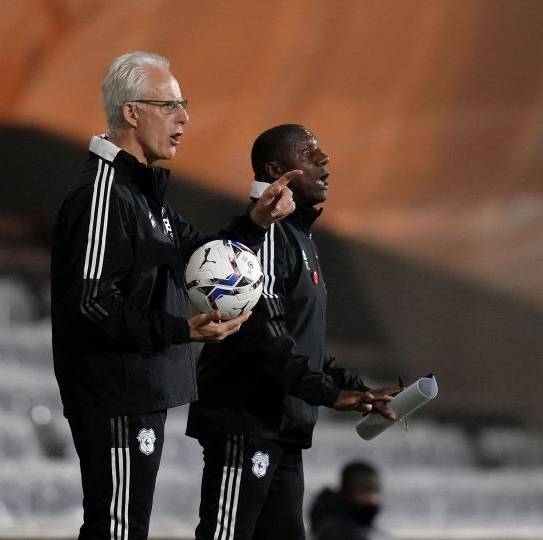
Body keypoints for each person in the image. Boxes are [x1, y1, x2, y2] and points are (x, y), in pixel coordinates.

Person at [50, 51, 297, 540]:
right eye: (169, 106)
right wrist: (180, 329)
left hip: (140, 389)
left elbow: (200, 253)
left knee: (123, 528)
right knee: (116, 529)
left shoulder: (143, 191)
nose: (184, 118)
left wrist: (255, 222)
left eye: (184, 105)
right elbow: (92, 303)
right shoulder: (103, 192)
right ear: (130, 112)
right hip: (115, 393)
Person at [185, 124, 399, 540]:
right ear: (275, 170)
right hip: (247, 421)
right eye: (308, 152)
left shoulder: (297, 234)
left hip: (282, 425)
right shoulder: (265, 233)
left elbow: (299, 341)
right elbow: (264, 337)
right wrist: (329, 393)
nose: (324, 159)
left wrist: (355, 389)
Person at [310, 461, 391, 540]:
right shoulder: (334, 530)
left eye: (376, 490)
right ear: (346, 491)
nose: (371, 498)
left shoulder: (360, 526)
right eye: (363, 491)